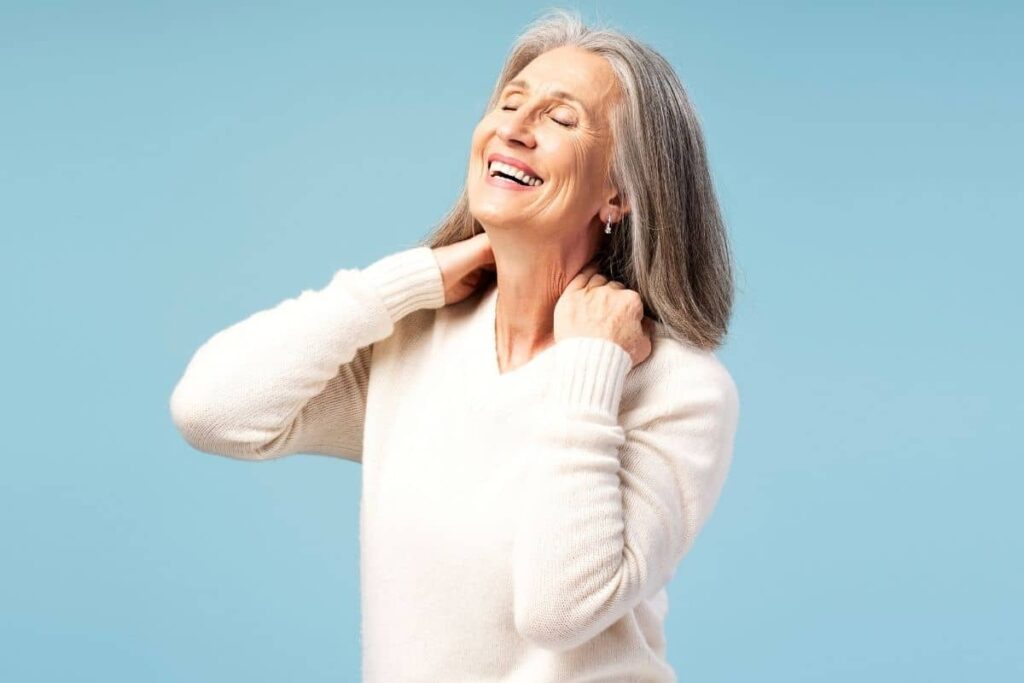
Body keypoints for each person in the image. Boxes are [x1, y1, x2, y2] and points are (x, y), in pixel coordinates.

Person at [170, 8, 740, 682]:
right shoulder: (412, 342)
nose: (515, 130)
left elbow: (560, 608)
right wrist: (402, 283)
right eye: (509, 103)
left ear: (619, 192)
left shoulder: (678, 389)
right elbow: (212, 411)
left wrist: (591, 367)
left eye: (560, 119)